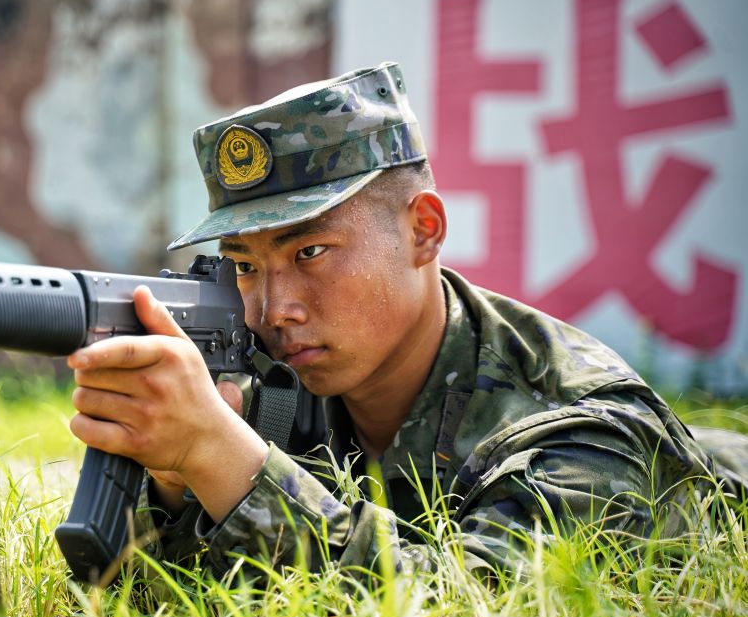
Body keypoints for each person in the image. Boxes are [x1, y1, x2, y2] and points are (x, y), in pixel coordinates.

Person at [65, 63, 743, 579]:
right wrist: (178, 486)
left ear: (423, 230)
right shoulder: (280, 387)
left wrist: (222, 458)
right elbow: (171, 608)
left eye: (309, 252)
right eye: (244, 264)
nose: (272, 310)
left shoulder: (581, 427)